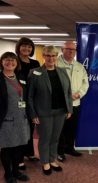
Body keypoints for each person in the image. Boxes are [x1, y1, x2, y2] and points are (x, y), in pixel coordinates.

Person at [0, 52, 30, 183]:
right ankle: (7, 173)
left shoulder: (21, 77)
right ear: (1, 62)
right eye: (7, 60)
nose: (10, 62)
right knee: (7, 148)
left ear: (17, 62)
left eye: (13, 60)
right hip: (5, 121)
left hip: (21, 119)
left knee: (18, 147)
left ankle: (16, 171)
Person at [27, 45, 72, 175]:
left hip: (60, 111)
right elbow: (30, 95)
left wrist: (69, 109)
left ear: (56, 56)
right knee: (45, 138)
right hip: (43, 112)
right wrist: (33, 113)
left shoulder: (62, 72)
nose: (51, 58)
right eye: (48, 55)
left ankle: (52, 160)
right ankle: (45, 162)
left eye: (53, 55)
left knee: (55, 138)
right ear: (43, 56)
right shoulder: (35, 72)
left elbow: (68, 92)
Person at [56, 41, 89, 162]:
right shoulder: (54, 64)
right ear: (62, 50)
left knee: (71, 127)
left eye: (74, 50)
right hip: (60, 104)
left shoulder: (79, 66)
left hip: (75, 102)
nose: (71, 51)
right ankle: (59, 151)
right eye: (68, 49)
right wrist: (65, 95)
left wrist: (78, 94)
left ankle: (69, 147)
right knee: (60, 129)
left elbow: (85, 82)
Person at [15, 37, 40, 170]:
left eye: (29, 47)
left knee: (29, 128)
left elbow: (38, 80)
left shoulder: (35, 62)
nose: (26, 48)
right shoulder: (14, 61)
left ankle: (29, 152)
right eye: (24, 46)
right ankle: (18, 158)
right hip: (18, 99)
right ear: (19, 47)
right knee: (20, 129)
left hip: (31, 99)